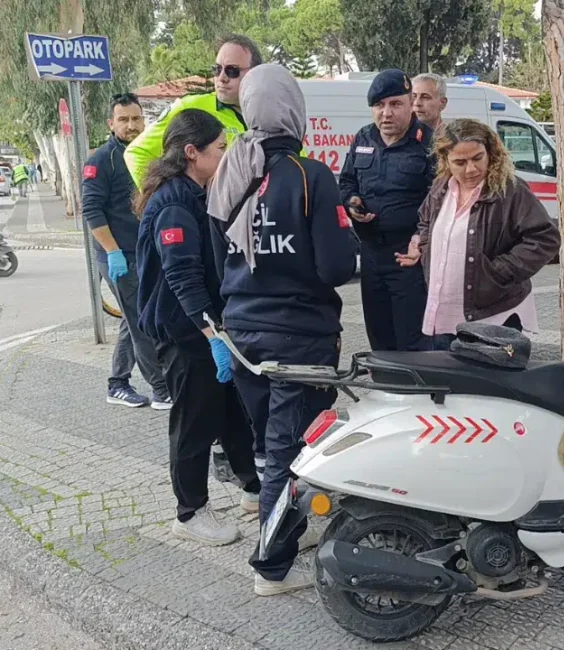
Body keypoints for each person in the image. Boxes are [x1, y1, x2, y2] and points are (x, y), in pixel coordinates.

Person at [208, 64, 358, 597]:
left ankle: (284, 528)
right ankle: (272, 566)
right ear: (294, 109)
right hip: (298, 335)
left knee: (269, 445)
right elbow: (336, 267)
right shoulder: (311, 176)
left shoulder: (229, 173)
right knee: (289, 452)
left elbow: (218, 260)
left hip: (242, 334)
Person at [133, 109, 262, 545]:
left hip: (205, 330)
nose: (226, 155)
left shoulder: (198, 193)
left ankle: (253, 488)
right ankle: (189, 513)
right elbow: (182, 276)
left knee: (231, 414)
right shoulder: (173, 203)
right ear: (192, 152)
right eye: (220, 148)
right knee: (194, 424)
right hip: (184, 336)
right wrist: (212, 336)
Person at [399, 119, 560, 349]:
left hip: (494, 316)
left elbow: (545, 238)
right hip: (443, 315)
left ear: (490, 153)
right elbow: (425, 221)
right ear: (445, 160)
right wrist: (422, 244)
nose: (471, 169)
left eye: (477, 158)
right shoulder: (441, 187)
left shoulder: (510, 190)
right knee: (447, 372)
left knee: (487, 373)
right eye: (460, 162)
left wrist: (499, 272)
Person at [82, 93, 171, 410]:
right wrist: (113, 252)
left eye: (136, 118)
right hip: (119, 256)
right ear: (111, 123)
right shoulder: (101, 161)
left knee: (132, 319)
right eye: (123, 119)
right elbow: (91, 210)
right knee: (142, 321)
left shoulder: (149, 153)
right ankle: (162, 390)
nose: (131, 125)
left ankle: (117, 383)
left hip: (145, 253)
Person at [339, 69, 435, 352]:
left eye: (395, 104)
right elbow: (347, 182)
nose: (386, 113)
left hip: (409, 257)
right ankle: (383, 379)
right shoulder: (364, 138)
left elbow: (439, 199)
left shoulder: (428, 143)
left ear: (410, 103)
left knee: (412, 341)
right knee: (379, 338)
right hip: (371, 254)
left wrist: (421, 237)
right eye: (379, 105)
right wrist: (352, 202)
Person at [125, 33, 261, 190]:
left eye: (232, 71)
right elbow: (137, 153)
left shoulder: (270, 113)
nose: (221, 78)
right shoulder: (190, 106)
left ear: (255, 73)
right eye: (217, 69)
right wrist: (164, 197)